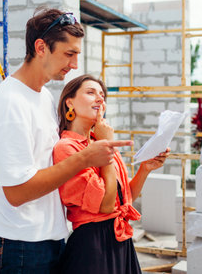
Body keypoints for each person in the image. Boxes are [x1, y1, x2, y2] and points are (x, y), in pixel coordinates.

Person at [0, 8, 132, 273]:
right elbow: (17, 193)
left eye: (77, 55)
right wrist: (85, 158)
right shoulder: (10, 102)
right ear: (41, 47)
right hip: (22, 243)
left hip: (51, 237)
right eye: (68, 54)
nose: (74, 65)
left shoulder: (43, 97)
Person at [53, 74, 170, 274]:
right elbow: (106, 206)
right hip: (92, 246)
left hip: (120, 241)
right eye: (90, 93)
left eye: (102, 95)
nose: (100, 99)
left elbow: (124, 199)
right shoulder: (66, 148)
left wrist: (145, 169)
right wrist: (104, 145)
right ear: (69, 102)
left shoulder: (99, 142)